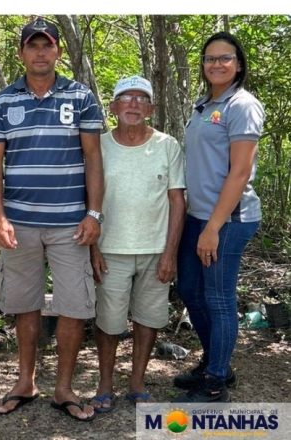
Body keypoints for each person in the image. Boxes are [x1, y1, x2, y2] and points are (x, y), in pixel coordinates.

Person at [0, 17, 104, 420]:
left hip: (71, 224)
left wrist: (93, 213)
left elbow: (93, 159)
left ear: (57, 51)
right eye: (32, 46)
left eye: (47, 45)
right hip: (19, 222)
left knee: (73, 306)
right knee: (25, 304)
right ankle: (25, 381)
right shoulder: (3, 102)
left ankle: (64, 388)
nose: (40, 52)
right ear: (20, 53)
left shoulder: (81, 96)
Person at [173, 32, 264, 403]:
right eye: (210, 59)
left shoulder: (242, 105)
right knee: (190, 291)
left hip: (229, 219)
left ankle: (215, 384)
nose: (217, 64)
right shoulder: (204, 105)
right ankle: (217, 363)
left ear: (238, 64)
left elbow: (239, 172)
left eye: (225, 58)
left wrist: (213, 227)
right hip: (198, 215)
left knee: (219, 298)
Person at [88, 76, 185, 412]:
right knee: (109, 322)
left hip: (155, 251)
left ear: (151, 108)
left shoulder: (167, 145)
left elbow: (177, 201)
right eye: (125, 98)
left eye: (141, 98)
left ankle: (137, 382)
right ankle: (104, 385)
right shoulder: (98, 145)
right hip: (110, 249)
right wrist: (93, 247)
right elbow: (88, 200)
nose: (133, 104)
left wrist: (170, 253)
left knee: (148, 318)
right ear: (113, 107)